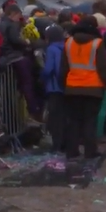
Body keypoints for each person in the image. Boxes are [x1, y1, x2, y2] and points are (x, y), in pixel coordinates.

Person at [59, 16, 106, 159]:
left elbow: (64, 68)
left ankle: (72, 151)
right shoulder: (97, 43)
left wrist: (63, 85)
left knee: (73, 121)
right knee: (90, 121)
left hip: (72, 88)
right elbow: (103, 68)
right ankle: (90, 152)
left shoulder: (68, 42)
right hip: (93, 89)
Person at [0, 4, 39, 117]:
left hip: (7, 56)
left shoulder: (1, 23)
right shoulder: (12, 25)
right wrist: (26, 42)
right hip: (15, 56)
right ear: (13, 14)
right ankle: (32, 108)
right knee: (27, 82)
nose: (19, 19)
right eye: (18, 16)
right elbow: (15, 39)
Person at [41, 25, 66, 153]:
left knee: (55, 118)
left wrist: (42, 77)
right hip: (65, 86)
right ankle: (65, 143)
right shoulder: (66, 46)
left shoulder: (51, 49)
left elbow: (49, 68)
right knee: (64, 116)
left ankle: (57, 144)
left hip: (54, 87)